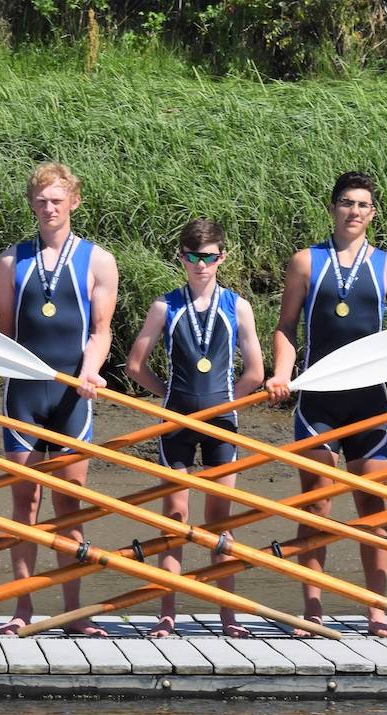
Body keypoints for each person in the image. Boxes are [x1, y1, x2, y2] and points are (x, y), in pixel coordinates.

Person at [267, 171, 387, 638]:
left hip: (372, 405)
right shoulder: (305, 263)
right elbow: (286, 327)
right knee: (316, 508)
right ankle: (312, 610)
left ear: (373, 213)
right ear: (333, 208)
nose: (354, 211)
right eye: (346, 203)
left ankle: (376, 610)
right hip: (317, 402)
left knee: (374, 509)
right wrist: (281, 372)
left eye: (363, 205)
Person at [0, 162, 118, 636]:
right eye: (41, 201)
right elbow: (7, 335)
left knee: (70, 505)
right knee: (24, 505)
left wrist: (90, 372)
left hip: (72, 395)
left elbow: (101, 330)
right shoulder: (10, 261)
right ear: (32, 205)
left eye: (57, 200)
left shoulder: (99, 261)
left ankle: (72, 612)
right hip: (22, 396)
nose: (49, 208)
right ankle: (21, 609)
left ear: (74, 202)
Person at [125, 219, 263, 638]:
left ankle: (227, 616)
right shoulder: (164, 307)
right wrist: (167, 394)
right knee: (174, 518)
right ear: (181, 258)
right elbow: (135, 365)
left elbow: (255, 373)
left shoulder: (237, 306)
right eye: (192, 256)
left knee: (221, 521)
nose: (200, 264)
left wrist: (226, 400)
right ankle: (167, 615)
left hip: (222, 423)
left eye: (208, 257)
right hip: (177, 422)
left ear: (222, 257)